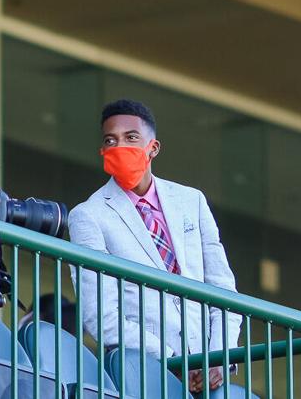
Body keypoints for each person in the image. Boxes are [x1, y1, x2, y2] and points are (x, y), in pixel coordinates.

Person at [69, 99, 242, 393]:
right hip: (145, 375)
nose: (119, 146)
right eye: (110, 140)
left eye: (131, 137)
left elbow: (222, 287)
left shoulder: (191, 201)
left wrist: (219, 358)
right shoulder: (88, 216)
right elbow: (100, 315)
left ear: (153, 147)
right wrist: (172, 361)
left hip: (209, 376)